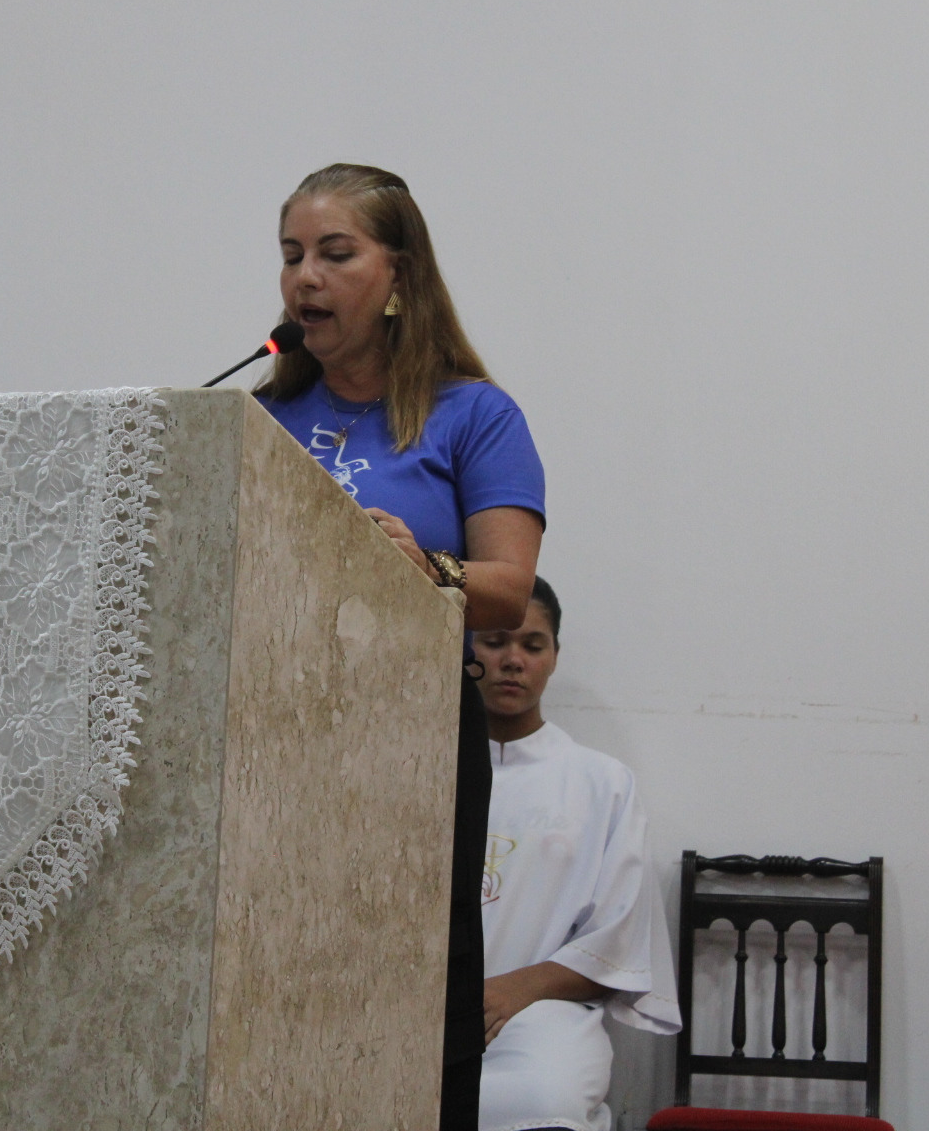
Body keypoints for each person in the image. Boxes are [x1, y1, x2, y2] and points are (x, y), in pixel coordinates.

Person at [254, 163, 546, 1131]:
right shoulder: (261, 418)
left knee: (410, 982)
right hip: (272, 738)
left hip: (410, 739)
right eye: (293, 255)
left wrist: (428, 567)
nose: (305, 277)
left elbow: (509, 586)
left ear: (401, 277)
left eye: (335, 254)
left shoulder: (474, 414)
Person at [473, 577, 680, 1131]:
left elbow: (619, 940)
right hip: (420, 1009)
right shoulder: (415, 766)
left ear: (554, 657)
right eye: (495, 641)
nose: (513, 660)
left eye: (532, 645)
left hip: (541, 1013)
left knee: (541, 1101)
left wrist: (513, 989)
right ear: (465, 650)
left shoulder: (601, 783)